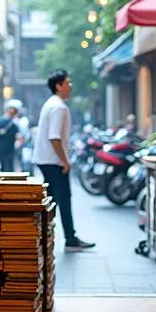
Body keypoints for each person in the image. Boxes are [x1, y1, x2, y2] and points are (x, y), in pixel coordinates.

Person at [33, 69, 95, 251]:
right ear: (58, 86)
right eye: (67, 83)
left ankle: (44, 234)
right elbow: (54, 137)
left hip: (47, 159)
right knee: (63, 198)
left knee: (52, 199)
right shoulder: (58, 107)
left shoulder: (51, 103)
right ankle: (70, 238)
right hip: (53, 160)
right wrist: (64, 161)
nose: (70, 86)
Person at [0, 101, 22, 172]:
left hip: (4, 147)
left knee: (4, 166)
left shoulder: (1, 121)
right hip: (8, 148)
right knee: (8, 166)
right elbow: (18, 137)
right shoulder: (13, 123)